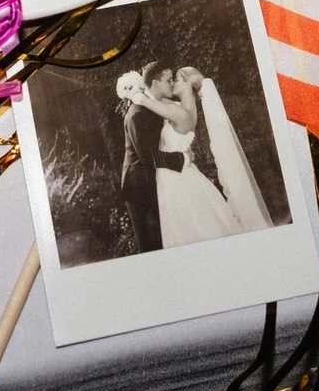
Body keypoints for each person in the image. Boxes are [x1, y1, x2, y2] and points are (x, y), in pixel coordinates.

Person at [121, 61, 271, 247]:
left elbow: (147, 103)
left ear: (187, 85)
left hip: (173, 176)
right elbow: (147, 154)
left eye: (174, 79)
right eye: (169, 79)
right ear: (157, 82)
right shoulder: (166, 107)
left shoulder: (177, 112)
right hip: (154, 179)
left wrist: (136, 94)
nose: (172, 82)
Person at [116, 64, 170, 253]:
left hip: (145, 180)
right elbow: (147, 157)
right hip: (138, 185)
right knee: (149, 239)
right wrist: (179, 159)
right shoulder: (136, 114)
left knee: (158, 236)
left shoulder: (144, 110)